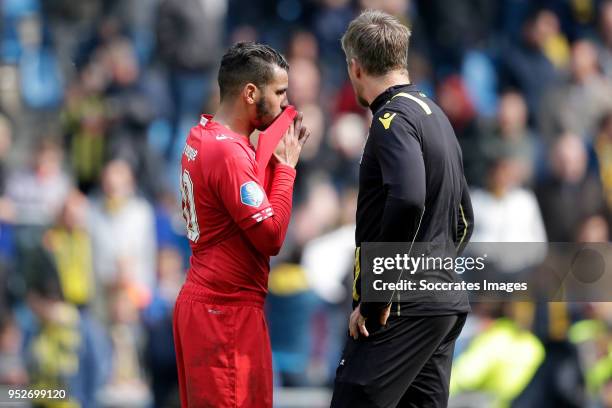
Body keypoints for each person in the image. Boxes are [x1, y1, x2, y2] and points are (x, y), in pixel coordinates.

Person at [331, 10, 474, 408]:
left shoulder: (391, 120)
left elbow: (408, 198)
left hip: (403, 307)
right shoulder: (437, 117)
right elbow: (463, 220)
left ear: (355, 67)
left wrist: (380, 291)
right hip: (442, 300)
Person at [172, 42, 309, 408]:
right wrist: (286, 171)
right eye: (279, 93)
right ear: (250, 92)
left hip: (209, 302)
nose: (284, 104)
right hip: (225, 312)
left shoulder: (202, 136)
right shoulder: (229, 153)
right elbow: (271, 236)